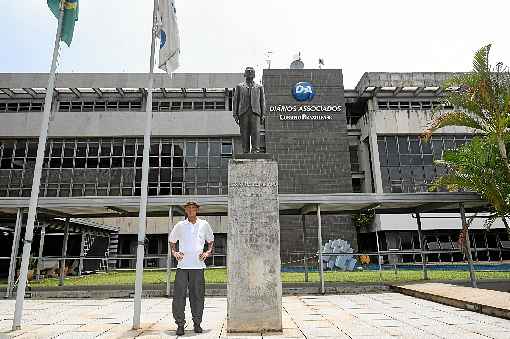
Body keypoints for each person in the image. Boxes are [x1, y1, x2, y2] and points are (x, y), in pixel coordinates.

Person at [169, 201, 214, 336]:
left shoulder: (204, 224)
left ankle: (197, 323)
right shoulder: (180, 225)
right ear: (185, 211)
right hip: (182, 266)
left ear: (197, 210)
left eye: (193, 208)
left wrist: (207, 252)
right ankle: (180, 324)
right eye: (188, 208)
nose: (190, 210)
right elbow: (172, 241)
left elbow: (210, 241)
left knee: (197, 296)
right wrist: (174, 252)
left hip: (198, 266)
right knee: (178, 297)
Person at [232, 66, 266, 153]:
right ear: (245, 74)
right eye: (248, 71)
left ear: (254, 74)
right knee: (244, 133)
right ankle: (245, 151)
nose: (250, 72)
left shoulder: (259, 87)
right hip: (243, 112)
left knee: (256, 132)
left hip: (255, 112)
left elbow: (262, 101)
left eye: (251, 71)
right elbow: (236, 101)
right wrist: (235, 114)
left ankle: (255, 150)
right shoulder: (239, 86)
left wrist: (263, 114)